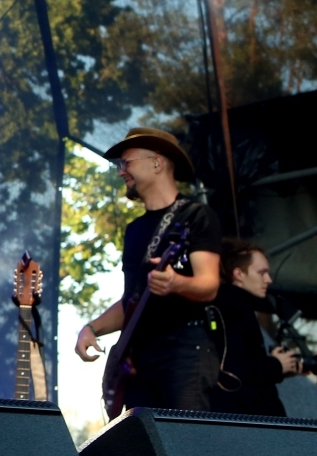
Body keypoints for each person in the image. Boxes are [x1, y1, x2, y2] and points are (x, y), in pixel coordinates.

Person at [74, 127, 223, 411]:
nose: (121, 172)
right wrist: (92, 328)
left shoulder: (196, 215)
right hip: (139, 358)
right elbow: (131, 301)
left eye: (126, 163)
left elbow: (209, 285)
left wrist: (176, 283)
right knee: (141, 437)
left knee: (184, 436)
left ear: (157, 162)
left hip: (184, 350)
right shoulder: (134, 230)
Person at [210, 238, 301, 416]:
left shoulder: (228, 305)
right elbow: (239, 368)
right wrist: (276, 365)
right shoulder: (236, 308)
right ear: (239, 274)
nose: (268, 279)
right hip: (250, 414)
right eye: (261, 273)